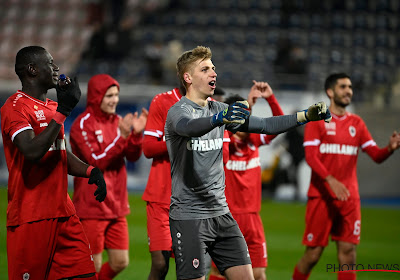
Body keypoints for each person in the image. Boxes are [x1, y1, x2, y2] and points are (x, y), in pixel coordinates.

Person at [164, 45, 332, 280]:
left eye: (213, 68)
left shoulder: (220, 109)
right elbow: (189, 128)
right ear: (188, 77)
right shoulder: (177, 112)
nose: (213, 73)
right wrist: (218, 119)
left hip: (222, 214)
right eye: (205, 69)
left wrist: (305, 116)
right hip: (190, 217)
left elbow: (264, 125)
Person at [1, 46, 106, 280]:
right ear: (32, 70)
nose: (56, 68)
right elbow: (31, 151)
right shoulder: (14, 107)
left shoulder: (51, 108)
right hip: (31, 216)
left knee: (87, 276)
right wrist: (64, 111)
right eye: (50, 63)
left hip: (64, 213)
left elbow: (60, 153)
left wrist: (91, 171)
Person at [291, 73, 400, 280]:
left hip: (349, 198)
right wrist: (330, 180)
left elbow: (375, 155)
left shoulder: (356, 123)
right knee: (313, 255)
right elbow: (311, 157)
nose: (348, 90)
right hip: (321, 198)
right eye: (343, 87)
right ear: (330, 92)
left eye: (350, 86)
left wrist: (389, 149)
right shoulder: (317, 121)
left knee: (348, 254)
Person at [69, 74, 148, 279]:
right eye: (109, 95)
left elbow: (131, 155)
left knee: (120, 262)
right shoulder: (82, 125)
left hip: (116, 204)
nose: (115, 100)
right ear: (96, 97)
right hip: (92, 205)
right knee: (91, 266)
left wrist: (136, 135)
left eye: (116, 95)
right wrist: (122, 137)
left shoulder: (118, 121)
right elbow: (96, 163)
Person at [208, 81, 284, 280]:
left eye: (246, 116)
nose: (244, 121)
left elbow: (279, 124)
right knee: (219, 271)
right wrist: (245, 106)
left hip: (252, 217)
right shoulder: (222, 141)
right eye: (239, 116)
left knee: (258, 273)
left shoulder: (254, 140)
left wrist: (270, 98)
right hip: (227, 216)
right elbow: (224, 130)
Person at [142, 85, 184, 279]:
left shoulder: (211, 107)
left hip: (191, 200)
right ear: (187, 76)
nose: (212, 74)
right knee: (160, 264)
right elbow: (148, 148)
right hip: (161, 196)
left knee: (189, 267)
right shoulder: (162, 101)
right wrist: (178, 140)